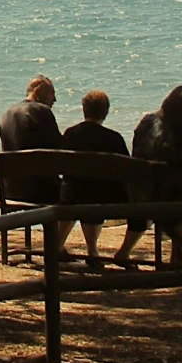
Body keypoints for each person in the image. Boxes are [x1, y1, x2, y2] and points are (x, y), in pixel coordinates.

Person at [114, 82, 182, 271]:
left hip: (138, 192)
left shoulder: (147, 122)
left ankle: (176, 257)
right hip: (168, 200)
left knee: (174, 183)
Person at [56, 90, 129, 268]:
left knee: (76, 187)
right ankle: (92, 251)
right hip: (103, 196)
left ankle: (58, 247)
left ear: (84, 109)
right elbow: (127, 169)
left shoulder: (71, 134)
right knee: (95, 189)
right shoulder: (114, 138)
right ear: (106, 112)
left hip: (71, 195)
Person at [0, 74, 61, 151]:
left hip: (11, 163)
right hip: (37, 162)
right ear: (37, 92)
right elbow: (58, 148)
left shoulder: (6, 115)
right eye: (51, 93)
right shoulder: (42, 111)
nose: (54, 99)